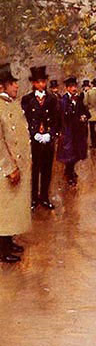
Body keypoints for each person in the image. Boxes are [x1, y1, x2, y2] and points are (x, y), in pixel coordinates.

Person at [0, 64, 32, 263]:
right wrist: (9, 167)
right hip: (5, 167)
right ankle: (2, 250)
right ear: (2, 86)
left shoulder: (12, 104)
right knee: (4, 208)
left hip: (18, 164)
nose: (16, 87)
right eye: (12, 83)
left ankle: (9, 241)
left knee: (13, 208)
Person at [21, 65, 59, 210]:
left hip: (48, 140)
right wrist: (33, 133)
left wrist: (50, 134)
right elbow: (26, 120)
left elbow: (57, 119)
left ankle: (44, 197)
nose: (41, 85)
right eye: (38, 82)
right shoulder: (27, 99)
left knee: (47, 170)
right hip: (34, 141)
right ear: (33, 83)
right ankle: (33, 199)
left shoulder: (52, 99)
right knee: (34, 170)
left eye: (43, 81)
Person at [57, 77, 90, 187]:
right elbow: (63, 117)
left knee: (76, 154)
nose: (74, 89)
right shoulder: (63, 101)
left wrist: (84, 116)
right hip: (68, 131)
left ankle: (70, 170)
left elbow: (86, 112)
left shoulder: (79, 99)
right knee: (69, 154)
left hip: (78, 132)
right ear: (67, 88)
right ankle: (69, 174)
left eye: (75, 86)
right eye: (71, 87)